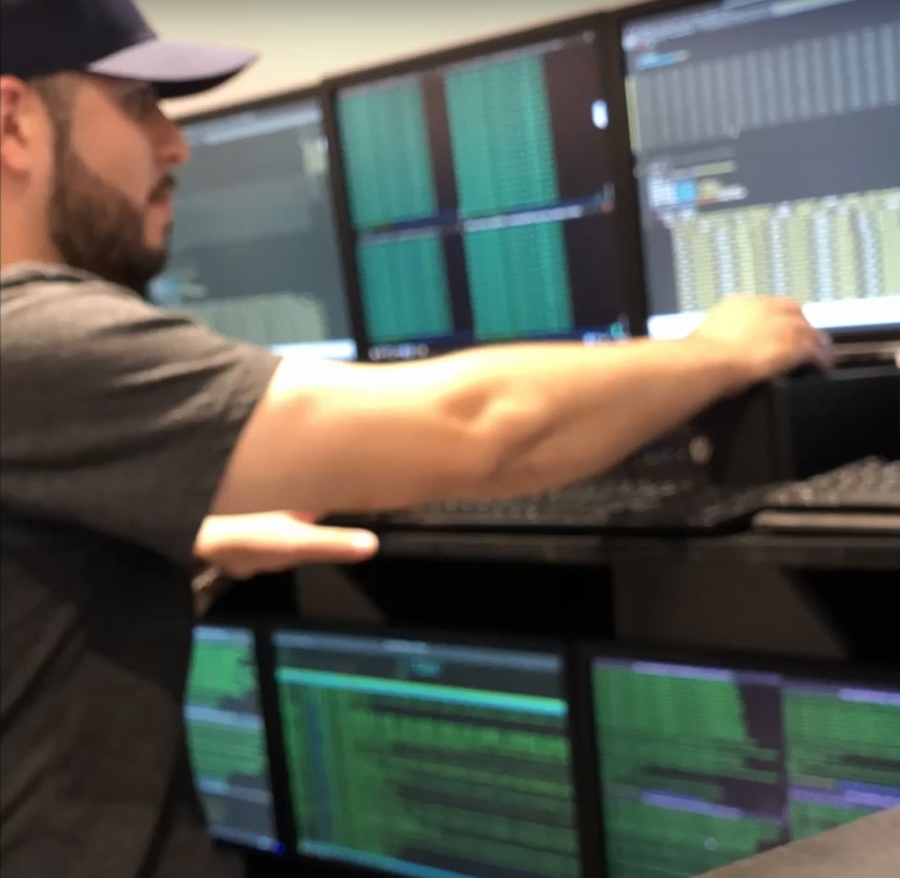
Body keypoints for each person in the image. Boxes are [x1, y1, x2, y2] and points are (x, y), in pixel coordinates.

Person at [0, 0, 832, 876]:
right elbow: (477, 429)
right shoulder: (35, 336)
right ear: (12, 120)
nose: (175, 146)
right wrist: (717, 351)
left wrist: (188, 547)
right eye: (140, 105)